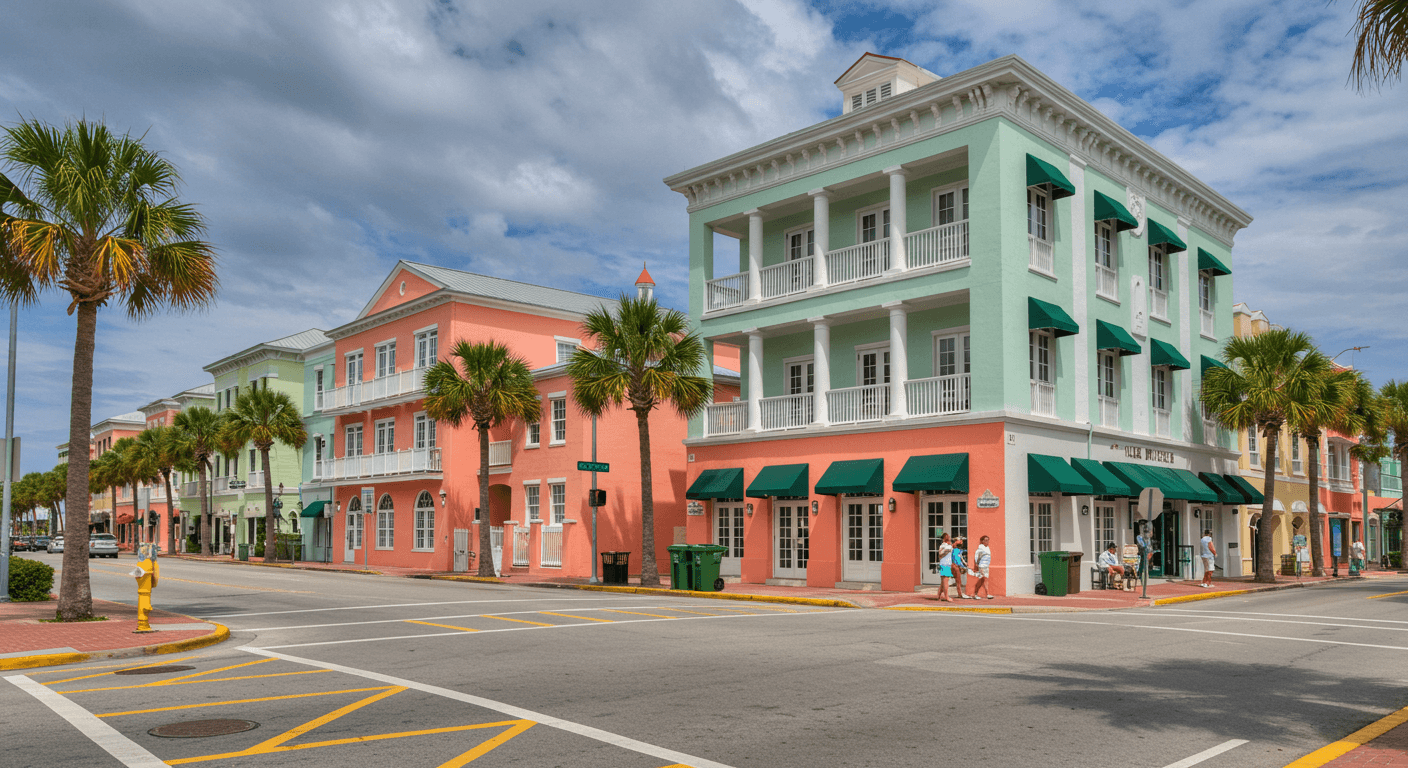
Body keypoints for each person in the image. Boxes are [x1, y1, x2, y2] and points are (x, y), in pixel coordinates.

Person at [971, 535, 993, 599]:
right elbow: (976, 557)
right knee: (983, 579)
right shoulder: (980, 548)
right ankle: (984, 594)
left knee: (983, 580)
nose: (987, 541)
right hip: (982, 566)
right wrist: (976, 565)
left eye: (988, 540)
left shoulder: (987, 548)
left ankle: (978, 593)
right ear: (982, 541)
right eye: (986, 540)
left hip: (986, 566)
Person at [935, 533, 954, 602]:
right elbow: (941, 553)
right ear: (944, 539)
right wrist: (951, 546)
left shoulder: (947, 546)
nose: (949, 538)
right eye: (947, 537)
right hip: (944, 565)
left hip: (946, 565)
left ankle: (938, 596)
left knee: (943, 582)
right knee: (946, 582)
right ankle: (946, 597)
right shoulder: (944, 546)